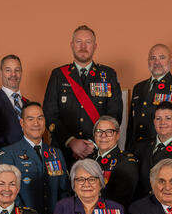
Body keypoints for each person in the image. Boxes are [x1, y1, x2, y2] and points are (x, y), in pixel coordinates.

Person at [43, 25, 124, 160]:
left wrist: (92, 143)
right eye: (79, 42)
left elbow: (115, 114)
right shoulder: (58, 75)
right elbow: (49, 114)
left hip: (99, 150)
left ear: (95, 46)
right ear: (72, 45)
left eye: (88, 42)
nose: (83, 46)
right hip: (63, 151)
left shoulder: (108, 75)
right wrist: (71, 141)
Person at [0, 102, 68, 214]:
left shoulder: (56, 153)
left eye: (40, 118)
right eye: (30, 119)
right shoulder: (9, 154)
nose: (36, 123)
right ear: (22, 123)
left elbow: (64, 191)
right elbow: (7, 194)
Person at [128, 44, 172, 149]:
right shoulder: (139, 87)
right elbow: (132, 126)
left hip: (167, 149)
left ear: (170, 60)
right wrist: (128, 149)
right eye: (153, 58)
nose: (157, 62)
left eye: (162, 58)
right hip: (139, 149)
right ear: (148, 61)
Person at [90, 115, 141, 207]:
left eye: (109, 132)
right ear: (94, 135)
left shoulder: (126, 161)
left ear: (117, 135)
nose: (103, 136)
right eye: (99, 131)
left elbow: (121, 199)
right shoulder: (88, 160)